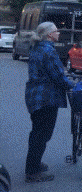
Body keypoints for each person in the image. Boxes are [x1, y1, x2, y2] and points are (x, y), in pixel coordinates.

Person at [24, 22, 75, 183]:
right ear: (49, 35)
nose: (58, 33)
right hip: (46, 98)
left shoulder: (36, 48)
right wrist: (73, 85)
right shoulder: (48, 51)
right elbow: (58, 76)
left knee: (36, 132)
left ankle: (34, 164)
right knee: (42, 134)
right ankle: (32, 172)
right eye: (56, 31)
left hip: (34, 96)